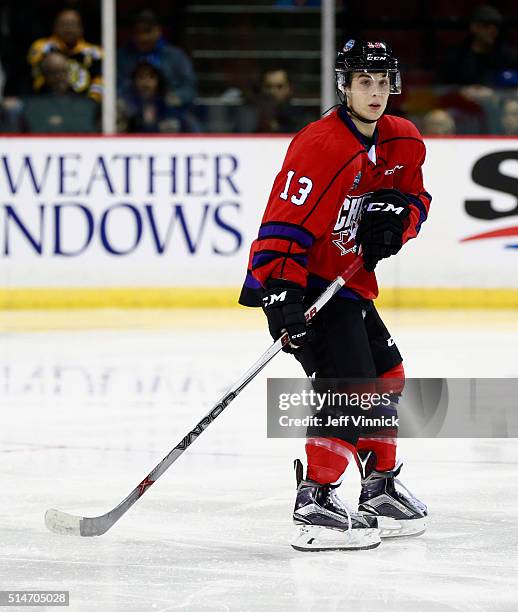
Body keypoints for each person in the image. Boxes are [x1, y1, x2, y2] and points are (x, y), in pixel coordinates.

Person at [239, 40, 430, 551]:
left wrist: (399, 223)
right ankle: (316, 502)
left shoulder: (403, 140)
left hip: (348, 287)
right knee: (351, 386)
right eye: (363, 82)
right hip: (303, 286)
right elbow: (281, 221)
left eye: (383, 81)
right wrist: (280, 293)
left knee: (387, 376)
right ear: (344, 86)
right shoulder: (319, 144)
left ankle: (379, 487)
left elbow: (417, 198)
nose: (375, 92)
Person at [117, 10, 196, 108]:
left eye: (147, 31)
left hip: (170, 112)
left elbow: (190, 87)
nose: (143, 37)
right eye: (138, 32)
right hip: (131, 112)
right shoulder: (121, 57)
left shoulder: (176, 56)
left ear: (158, 31)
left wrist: (176, 97)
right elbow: (113, 86)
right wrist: (122, 99)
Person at [27, 8, 103, 102]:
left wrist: (91, 102)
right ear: (55, 27)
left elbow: (100, 79)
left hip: (83, 104)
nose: (69, 29)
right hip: (46, 100)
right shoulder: (42, 47)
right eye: (64, 24)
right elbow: (34, 76)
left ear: (81, 28)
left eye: (73, 24)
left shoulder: (95, 53)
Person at [440, 4, 518, 88]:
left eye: (496, 26)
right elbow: (444, 88)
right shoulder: (457, 56)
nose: (493, 30)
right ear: (474, 27)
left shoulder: (509, 56)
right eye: (486, 26)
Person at [119, 61, 195, 133]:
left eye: (151, 77)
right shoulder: (126, 107)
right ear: (134, 81)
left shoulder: (168, 106)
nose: (146, 82)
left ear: (159, 80)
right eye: (140, 77)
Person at [255, 68, 305, 133]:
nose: (272, 91)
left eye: (279, 86)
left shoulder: (300, 116)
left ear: (290, 88)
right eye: (268, 86)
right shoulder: (252, 112)